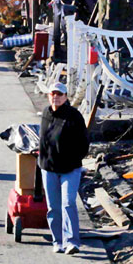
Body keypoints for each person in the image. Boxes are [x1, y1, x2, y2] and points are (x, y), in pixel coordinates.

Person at [38, 82, 89, 254]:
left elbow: (84, 143)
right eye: (53, 94)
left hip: (70, 169)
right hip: (49, 168)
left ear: (66, 97)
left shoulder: (74, 116)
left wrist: (74, 160)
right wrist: (42, 160)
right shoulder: (46, 113)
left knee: (68, 203)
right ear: (49, 95)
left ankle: (72, 242)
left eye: (60, 94)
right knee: (53, 207)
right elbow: (43, 139)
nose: (56, 97)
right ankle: (57, 241)